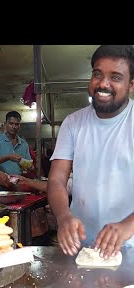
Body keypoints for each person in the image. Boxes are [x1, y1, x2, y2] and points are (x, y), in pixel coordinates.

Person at [48, 45, 134, 259]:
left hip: (130, 248)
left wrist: (126, 226)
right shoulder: (72, 123)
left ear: (131, 85)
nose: (103, 84)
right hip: (82, 248)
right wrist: (63, 216)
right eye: (97, 74)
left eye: (115, 77)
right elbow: (57, 180)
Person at [0, 111, 32, 191]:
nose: (14, 126)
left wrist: (29, 167)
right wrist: (8, 157)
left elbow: (28, 166)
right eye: (11, 123)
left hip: (18, 184)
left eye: (16, 124)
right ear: (5, 124)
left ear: (19, 126)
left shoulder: (23, 143)